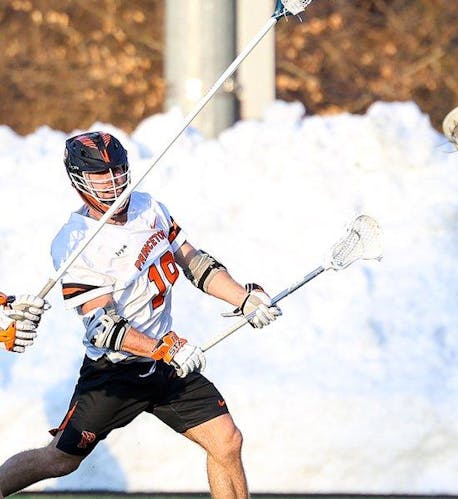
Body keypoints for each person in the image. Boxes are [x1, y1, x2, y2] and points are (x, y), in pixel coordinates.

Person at [0, 131, 282, 499]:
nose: (114, 181)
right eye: (101, 175)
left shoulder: (150, 208)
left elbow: (194, 263)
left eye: (118, 170)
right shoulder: (74, 242)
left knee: (227, 441)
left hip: (165, 363)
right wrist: (165, 350)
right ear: (78, 180)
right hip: (115, 373)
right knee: (61, 461)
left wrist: (243, 298)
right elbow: (104, 328)